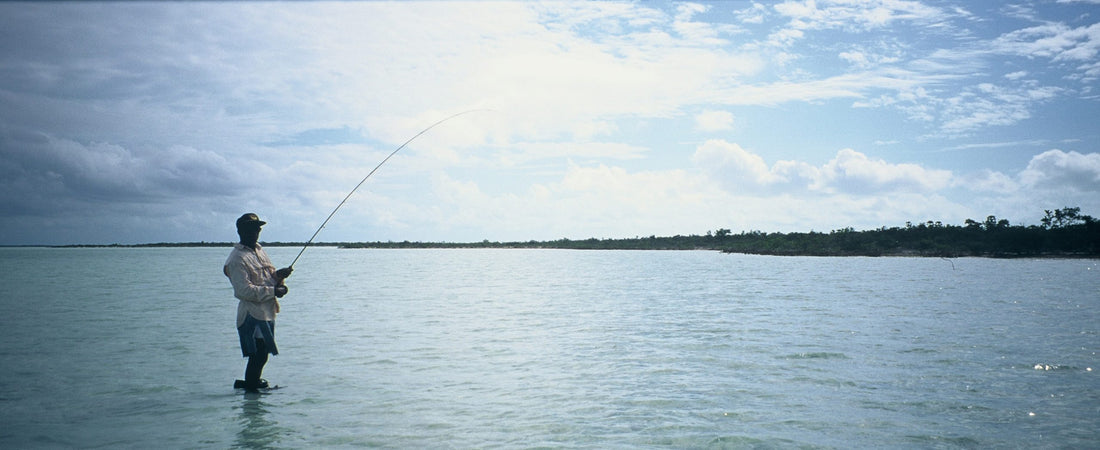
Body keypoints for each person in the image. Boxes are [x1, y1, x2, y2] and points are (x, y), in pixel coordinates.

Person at [224, 213, 293, 392]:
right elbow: (243, 291)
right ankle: (251, 388)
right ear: (240, 231)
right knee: (258, 354)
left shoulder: (260, 251)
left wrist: (279, 276)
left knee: (262, 354)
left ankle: (251, 384)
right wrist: (273, 291)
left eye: (257, 229)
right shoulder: (236, 259)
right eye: (250, 229)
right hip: (251, 314)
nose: (255, 232)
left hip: (266, 311)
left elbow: (266, 278)